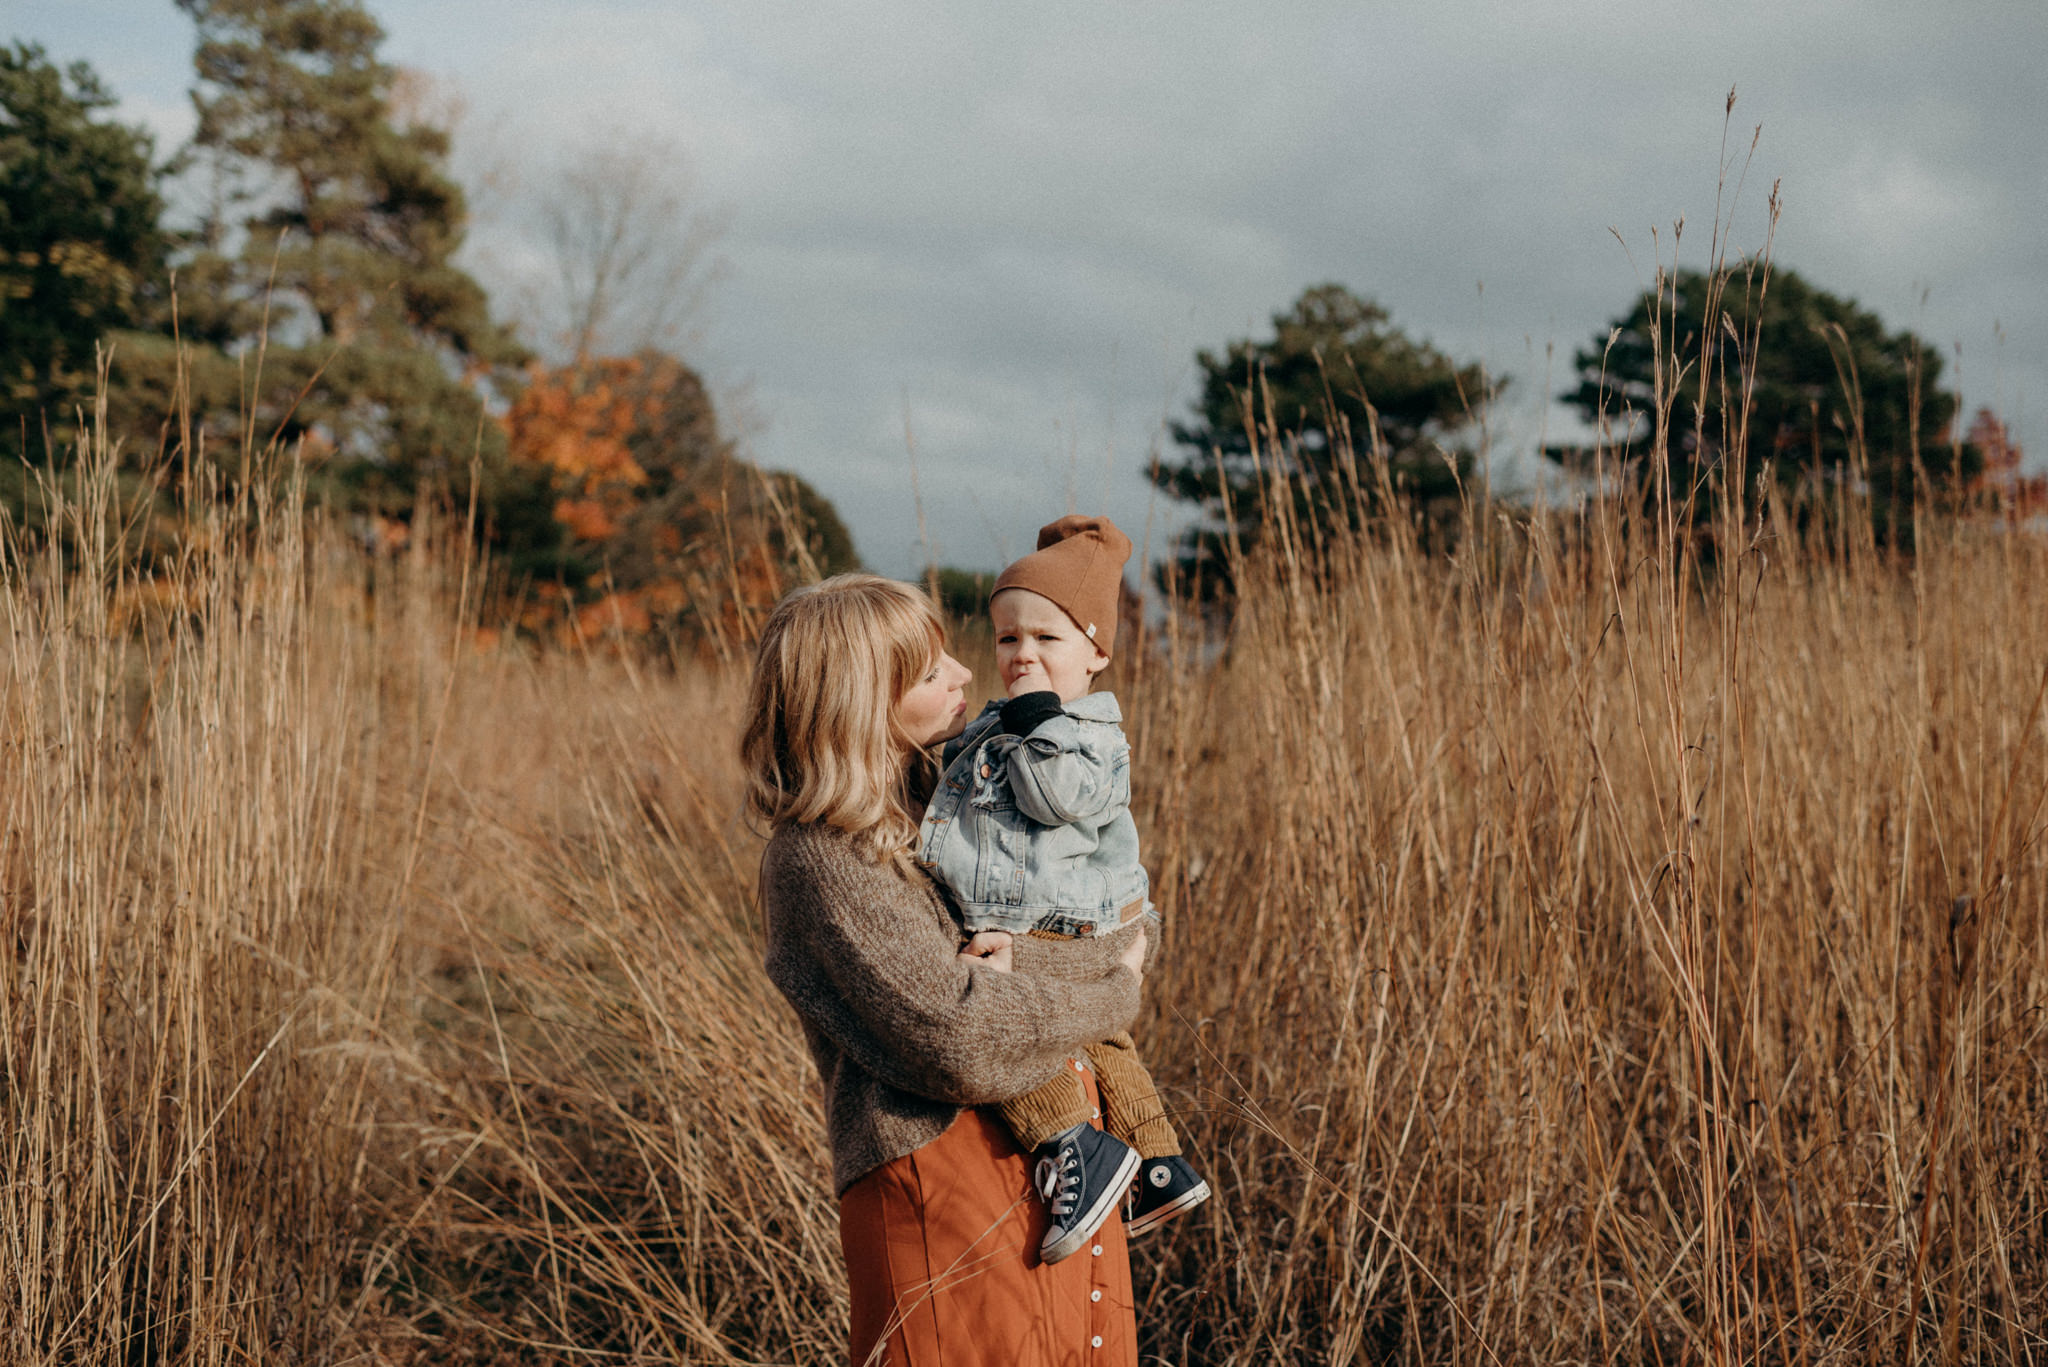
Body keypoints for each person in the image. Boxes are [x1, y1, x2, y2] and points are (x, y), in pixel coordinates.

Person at [743, 572, 1150, 1366]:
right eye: (932, 670)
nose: (968, 671)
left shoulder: (960, 795)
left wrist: (1034, 962)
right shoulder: (817, 858)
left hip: (1069, 1169)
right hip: (943, 1190)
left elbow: (1119, 916)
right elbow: (959, 1035)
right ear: (860, 703)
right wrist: (1113, 990)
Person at [916, 516, 1210, 1264]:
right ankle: (1156, 1161)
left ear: (1098, 653)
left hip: (1065, 928)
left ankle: (1071, 1140)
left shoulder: (1087, 735)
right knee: (1101, 1035)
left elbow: (1055, 796)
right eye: (1009, 638)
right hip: (1059, 922)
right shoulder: (1000, 723)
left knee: (997, 1012)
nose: (1023, 655)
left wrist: (1034, 717)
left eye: (1047, 639)